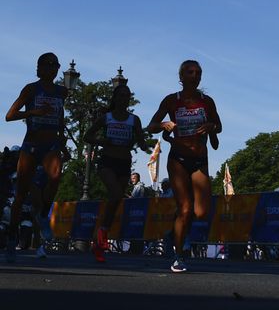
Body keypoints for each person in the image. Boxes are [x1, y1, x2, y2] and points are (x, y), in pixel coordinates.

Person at [147, 60, 221, 273]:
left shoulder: (207, 101)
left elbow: (219, 125)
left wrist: (211, 126)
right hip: (178, 159)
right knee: (186, 208)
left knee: (200, 212)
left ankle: (176, 232)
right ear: (181, 76)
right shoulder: (172, 100)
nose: (195, 75)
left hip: (200, 160)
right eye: (190, 72)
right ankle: (179, 256)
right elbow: (151, 126)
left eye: (198, 73)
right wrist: (163, 125)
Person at [4, 52, 68, 263]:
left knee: (56, 176)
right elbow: (10, 115)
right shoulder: (31, 89)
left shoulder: (61, 91)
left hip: (51, 144)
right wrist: (33, 113)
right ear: (39, 68)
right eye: (49, 65)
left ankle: (42, 216)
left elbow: (60, 117)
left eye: (56, 65)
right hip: (31, 144)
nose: (53, 68)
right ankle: (12, 240)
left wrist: (63, 141)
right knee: (20, 197)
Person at [84, 84, 150, 262]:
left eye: (127, 95)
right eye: (121, 95)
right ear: (115, 97)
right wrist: (103, 141)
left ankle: (100, 236)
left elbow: (141, 140)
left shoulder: (134, 120)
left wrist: (145, 146)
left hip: (124, 162)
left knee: (116, 200)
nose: (124, 98)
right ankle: (102, 234)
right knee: (115, 194)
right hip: (107, 161)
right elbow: (87, 136)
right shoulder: (107, 117)